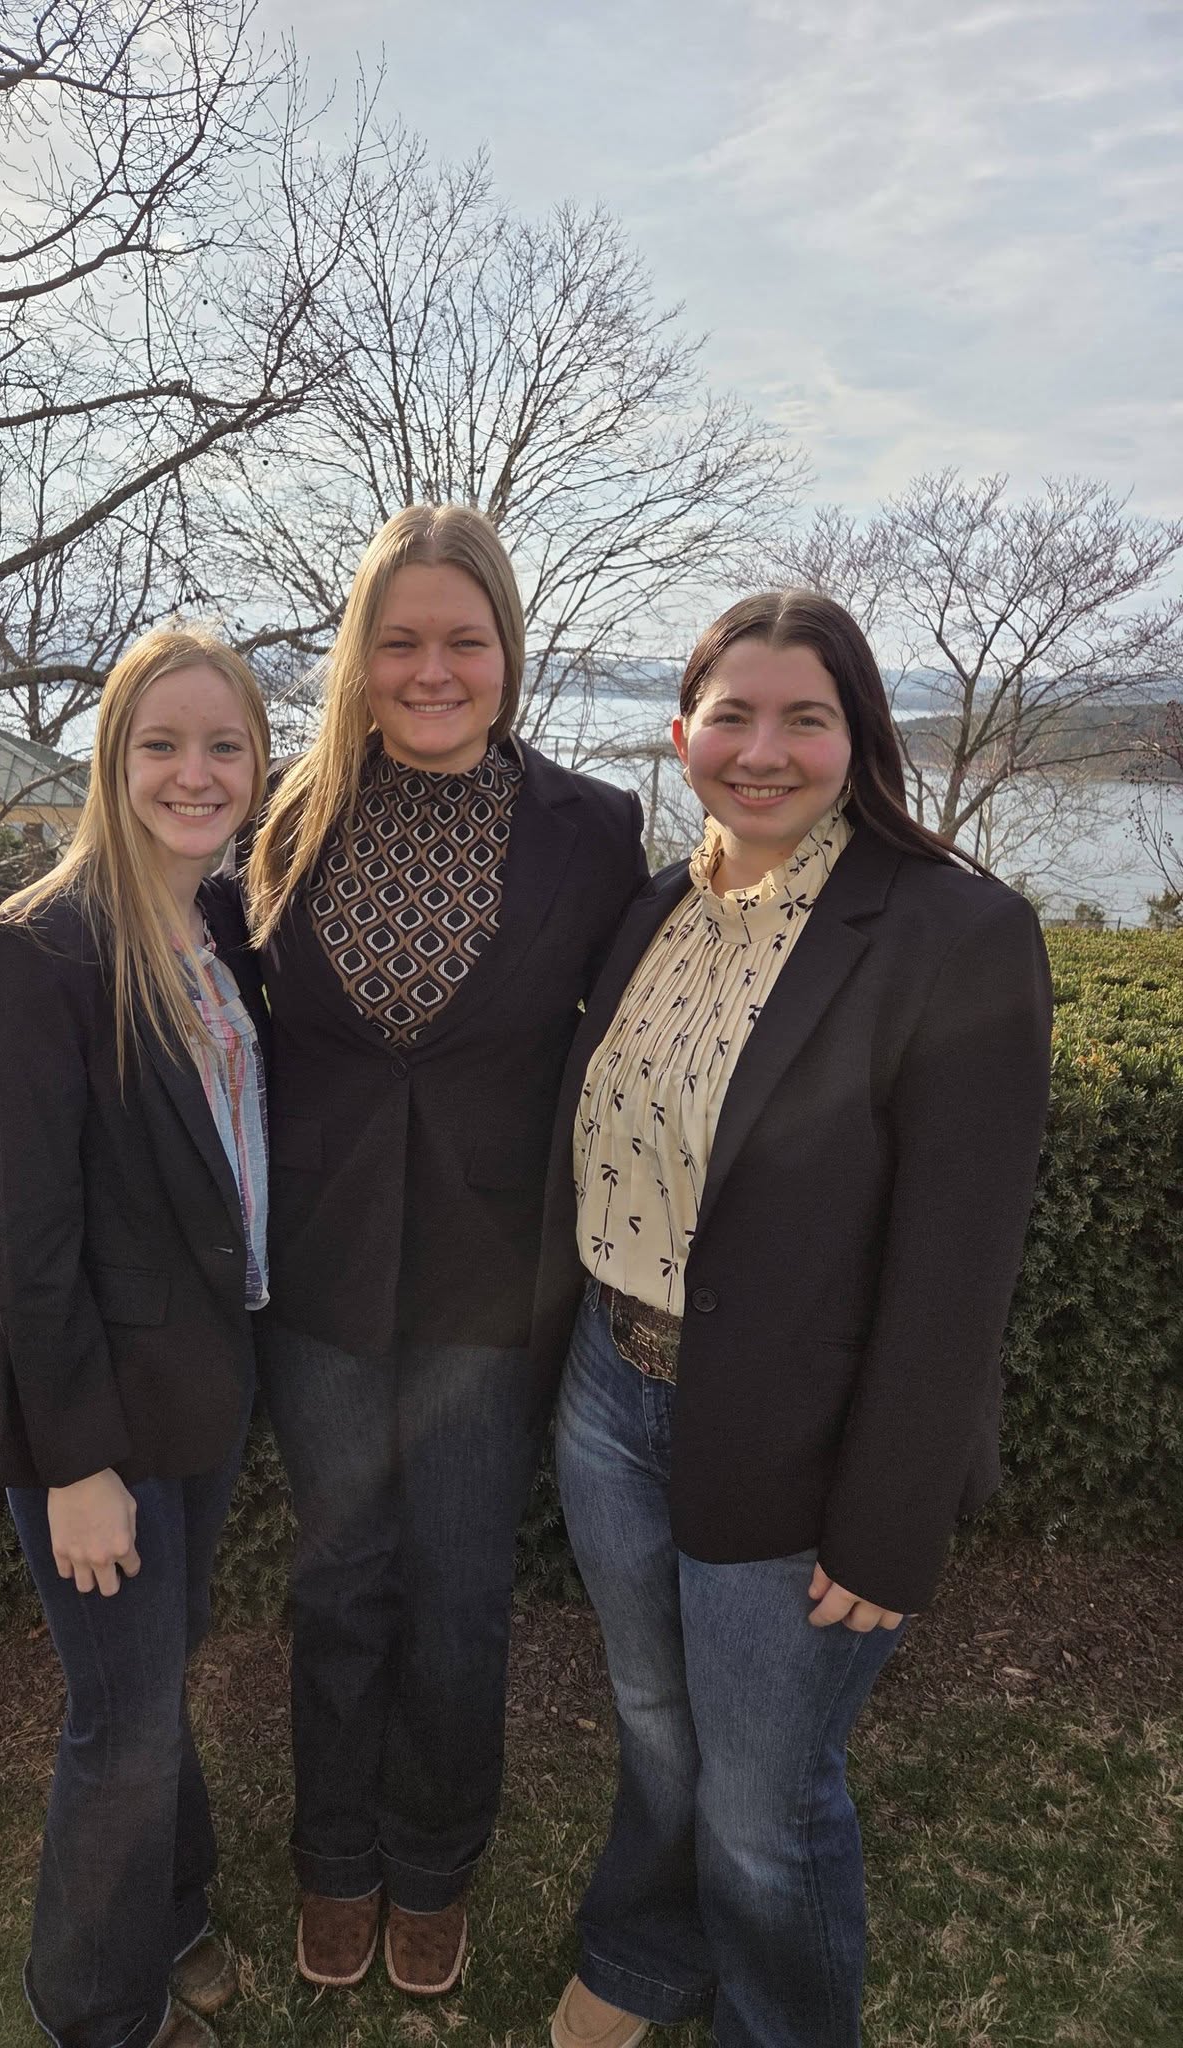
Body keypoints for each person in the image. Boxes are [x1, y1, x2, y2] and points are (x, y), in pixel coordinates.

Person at [542, 590, 1053, 2048]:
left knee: (770, 1800)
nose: (762, 751)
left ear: (857, 735)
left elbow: (961, 1263)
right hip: (609, 1392)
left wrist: (891, 1519)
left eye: (804, 718)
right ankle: (650, 1955)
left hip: (795, 1435)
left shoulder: (953, 934)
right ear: (683, 730)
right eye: (733, 715)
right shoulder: (650, 906)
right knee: (655, 1725)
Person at [243, 504, 648, 1998]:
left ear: (507, 653)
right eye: (400, 641)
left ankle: (436, 1863)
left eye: (461, 641)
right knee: (341, 1578)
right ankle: (334, 1856)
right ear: (359, 660)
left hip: (495, 1285)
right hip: (324, 1280)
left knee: (464, 1591)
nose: (432, 669)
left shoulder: (596, 832)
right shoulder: (282, 818)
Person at [0, 629, 272, 2048]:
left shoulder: (227, 934)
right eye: (162, 744)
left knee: (161, 1678)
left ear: (260, 767)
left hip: (202, 1395)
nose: (192, 773)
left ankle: (177, 1905)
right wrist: (80, 1464)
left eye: (224, 746)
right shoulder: (43, 953)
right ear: (112, 756)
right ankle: (97, 2011)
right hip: (98, 1424)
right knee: (122, 1723)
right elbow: (32, 1248)